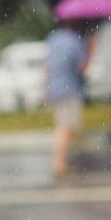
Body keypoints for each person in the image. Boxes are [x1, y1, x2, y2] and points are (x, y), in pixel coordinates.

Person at [45, 19, 93, 177]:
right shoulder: (74, 42)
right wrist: (91, 51)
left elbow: (47, 64)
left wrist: (46, 87)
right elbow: (81, 67)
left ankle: (61, 162)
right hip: (69, 89)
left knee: (67, 127)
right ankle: (59, 164)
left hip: (56, 88)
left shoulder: (54, 38)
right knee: (66, 128)